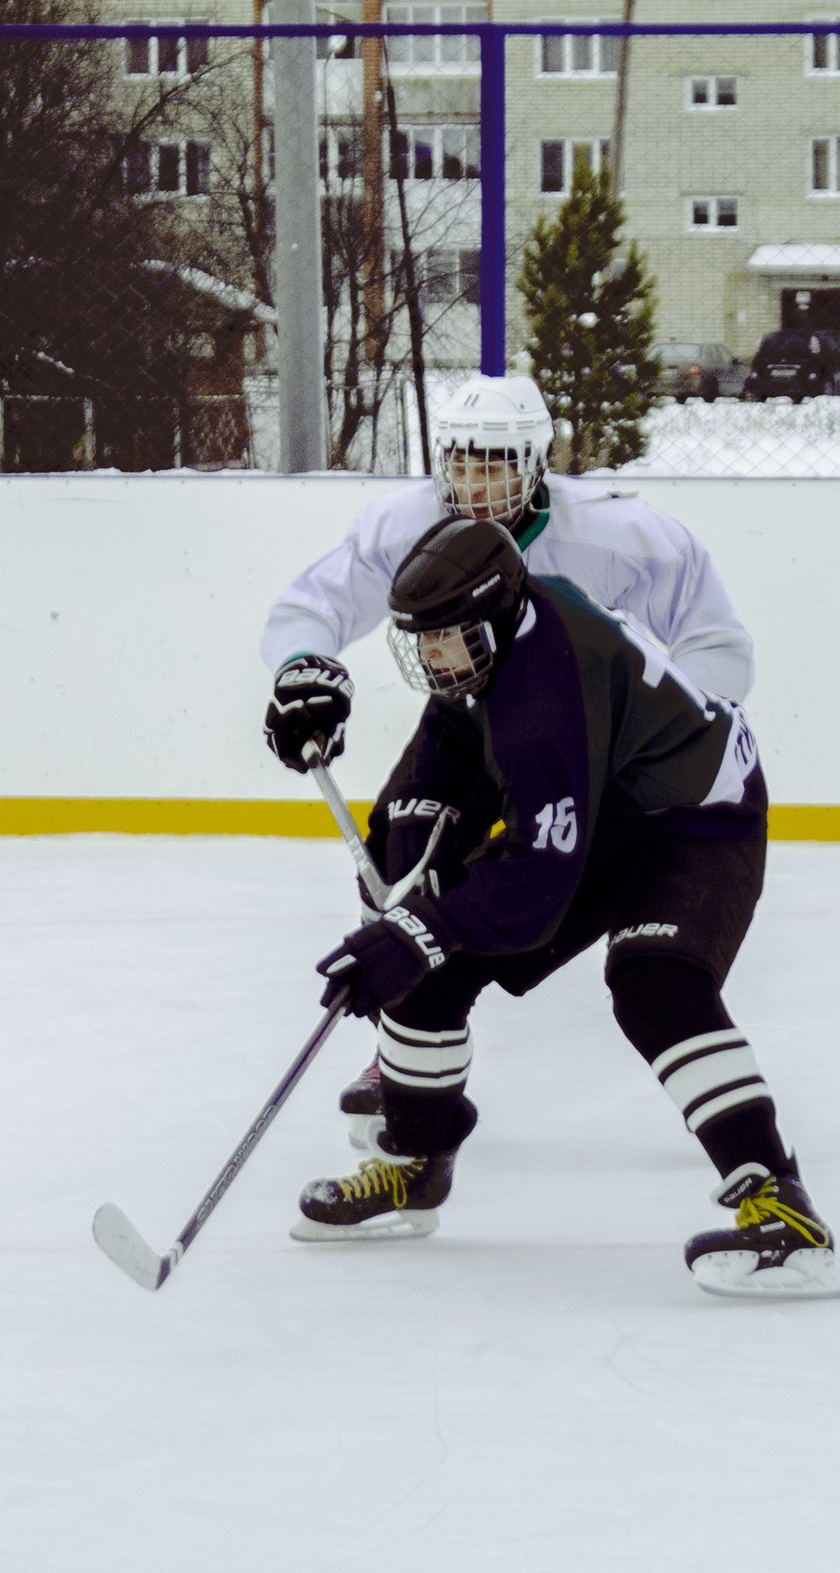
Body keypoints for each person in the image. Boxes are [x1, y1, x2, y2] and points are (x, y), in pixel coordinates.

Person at [297, 513, 840, 1299]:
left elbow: (537, 883)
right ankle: (414, 1162)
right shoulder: (492, 644)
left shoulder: (546, 695)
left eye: (448, 639)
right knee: (428, 930)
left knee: (657, 983)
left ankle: (782, 1209)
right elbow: (437, 768)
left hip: (698, 815)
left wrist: (416, 931)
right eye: (423, 641)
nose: (434, 657)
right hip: (603, 798)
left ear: (493, 618)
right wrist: (404, 879)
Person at [258, 370, 753, 1120]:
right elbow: (313, 603)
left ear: (536, 463)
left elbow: (717, 650)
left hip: (586, 740)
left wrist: (637, 741)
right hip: (470, 720)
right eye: (461, 463)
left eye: (495, 465)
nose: (475, 483)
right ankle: (399, 1039)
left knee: (530, 880)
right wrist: (304, 667)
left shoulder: (625, 537)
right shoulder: (403, 525)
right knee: (400, 849)